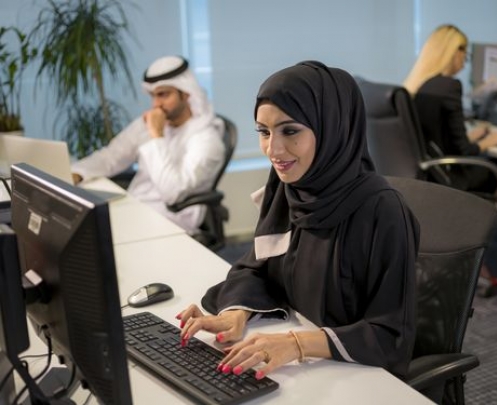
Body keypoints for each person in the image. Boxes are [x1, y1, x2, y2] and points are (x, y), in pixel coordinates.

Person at [177, 61, 420, 380]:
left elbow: (391, 335)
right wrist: (237, 312)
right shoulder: (289, 189)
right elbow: (258, 267)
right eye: (264, 132)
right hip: (304, 371)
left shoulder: (381, 211)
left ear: (332, 127)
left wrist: (296, 344)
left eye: (290, 131)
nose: (273, 150)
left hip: (358, 378)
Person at [403, 24, 497, 295]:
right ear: (452, 52)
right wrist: (488, 140)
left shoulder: (420, 86)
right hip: (455, 173)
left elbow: (441, 137)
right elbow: (465, 149)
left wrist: (475, 135)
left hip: (433, 172)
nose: (464, 63)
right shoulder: (449, 86)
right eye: (463, 56)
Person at [71, 55, 225, 234]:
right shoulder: (154, 122)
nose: (156, 104)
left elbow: (172, 193)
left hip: (173, 220)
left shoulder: (206, 139)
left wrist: (156, 136)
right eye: (153, 96)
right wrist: (77, 173)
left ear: (186, 93)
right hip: (137, 206)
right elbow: (112, 155)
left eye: (164, 95)